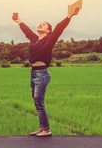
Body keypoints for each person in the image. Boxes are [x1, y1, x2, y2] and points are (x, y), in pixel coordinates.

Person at [12, 8, 79, 137]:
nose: (40, 25)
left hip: (42, 74)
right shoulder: (35, 39)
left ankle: (47, 130)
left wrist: (69, 16)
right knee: (36, 102)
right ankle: (41, 127)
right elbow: (27, 32)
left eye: (44, 25)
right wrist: (19, 21)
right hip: (33, 73)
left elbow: (59, 28)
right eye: (40, 23)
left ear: (48, 31)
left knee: (39, 101)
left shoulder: (50, 39)